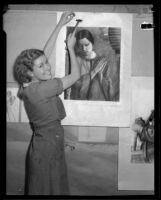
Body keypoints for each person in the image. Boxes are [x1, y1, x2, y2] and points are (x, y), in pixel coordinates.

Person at [13, 11, 80, 195]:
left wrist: (60, 25)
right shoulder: (43, 89)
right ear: (30, 73)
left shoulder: (29, 86)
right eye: (41, 66)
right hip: (46, 150)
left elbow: (43, 54)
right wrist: (71, 48)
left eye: (46, 63)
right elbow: (75, 76)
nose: (47, 67)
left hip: (45, 145)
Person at [66, 29, 119, 101]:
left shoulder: (102, 60)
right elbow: (75, 84)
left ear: (92, 43)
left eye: (86, 45)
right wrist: (94, 71)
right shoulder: (77, 59)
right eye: (80, 46)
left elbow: (107, 84)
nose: (84, 48)